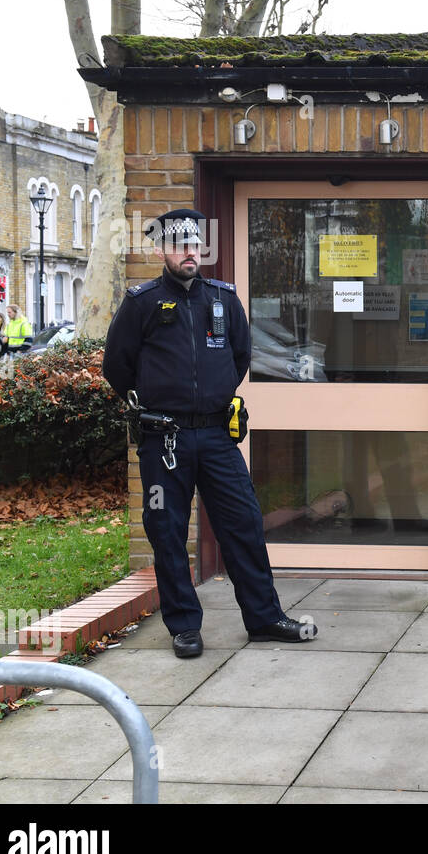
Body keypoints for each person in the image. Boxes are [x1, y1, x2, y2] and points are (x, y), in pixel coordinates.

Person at [102, 208, 315, 658]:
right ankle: (184, 626)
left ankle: (264, 618)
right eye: (180, 246)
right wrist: (160, 402)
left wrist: (211, 399)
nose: (190, 254)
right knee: (167, 531)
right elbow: (116, 368)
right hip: (165, 441)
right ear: (161, 250)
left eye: (196, 246)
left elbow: (239, 358)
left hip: (218, 438)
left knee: (243, 525)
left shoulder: (222, 299)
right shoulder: (140, 303)